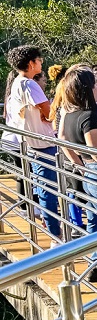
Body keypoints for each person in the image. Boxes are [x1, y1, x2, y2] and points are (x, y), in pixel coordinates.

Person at [3, 46, 62, 241]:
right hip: (43, 144)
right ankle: (55, 234)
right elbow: (48, 112)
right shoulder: (29, 84)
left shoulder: (17, 83)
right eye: (39, 60)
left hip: (32, 144)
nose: (41, 62)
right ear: (31, 63)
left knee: (43, 188)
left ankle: (51, 227)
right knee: (48, 190)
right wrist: (55, 106)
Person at [56, 66, 97, 263]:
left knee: (94, 220)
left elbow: (62, 138)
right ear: (88, 89)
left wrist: (78, 164)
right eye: (95, 86)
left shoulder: (70, 114)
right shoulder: (89, 115)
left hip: (87, 172)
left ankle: (96, 261)